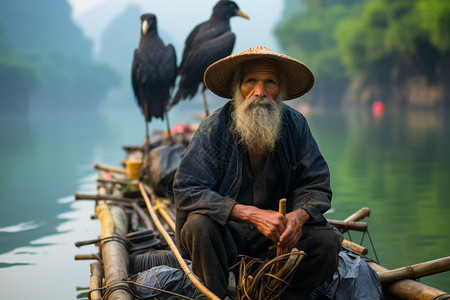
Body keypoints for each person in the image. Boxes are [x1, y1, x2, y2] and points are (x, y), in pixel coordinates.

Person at [172, 46, 341, 299]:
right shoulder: (213, 128)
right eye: (251, 81)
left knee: (327, 243)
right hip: (226, 235)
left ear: (280, 90)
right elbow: (186, 190)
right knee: (198, 225)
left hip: (278, 239)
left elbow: (316, 184)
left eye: (269, 82)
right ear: (238, 87)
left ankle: (276, 294)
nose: (259, 92)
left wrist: (297, 217)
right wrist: (251, 214)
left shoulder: (295, 125)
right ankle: (216, 295)